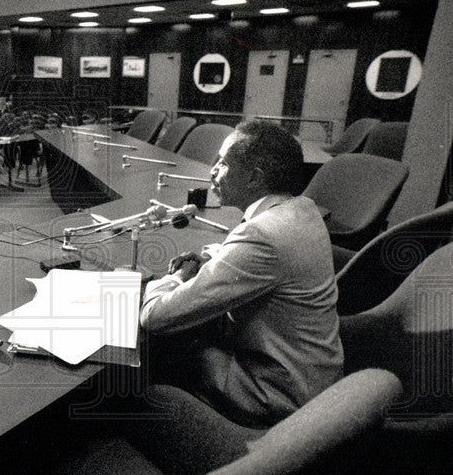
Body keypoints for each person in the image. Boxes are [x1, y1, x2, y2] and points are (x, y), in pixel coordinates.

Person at [139, 120, 343, 427]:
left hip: (279, 395)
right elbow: (255, 258)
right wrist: (213, 258)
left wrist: (175, 277)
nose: (212, 172)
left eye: (222, 164)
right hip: (313, 377)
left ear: (254, 178)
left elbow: (154, 317)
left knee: (162, 345)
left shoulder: (262, 235)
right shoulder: (301, 209)